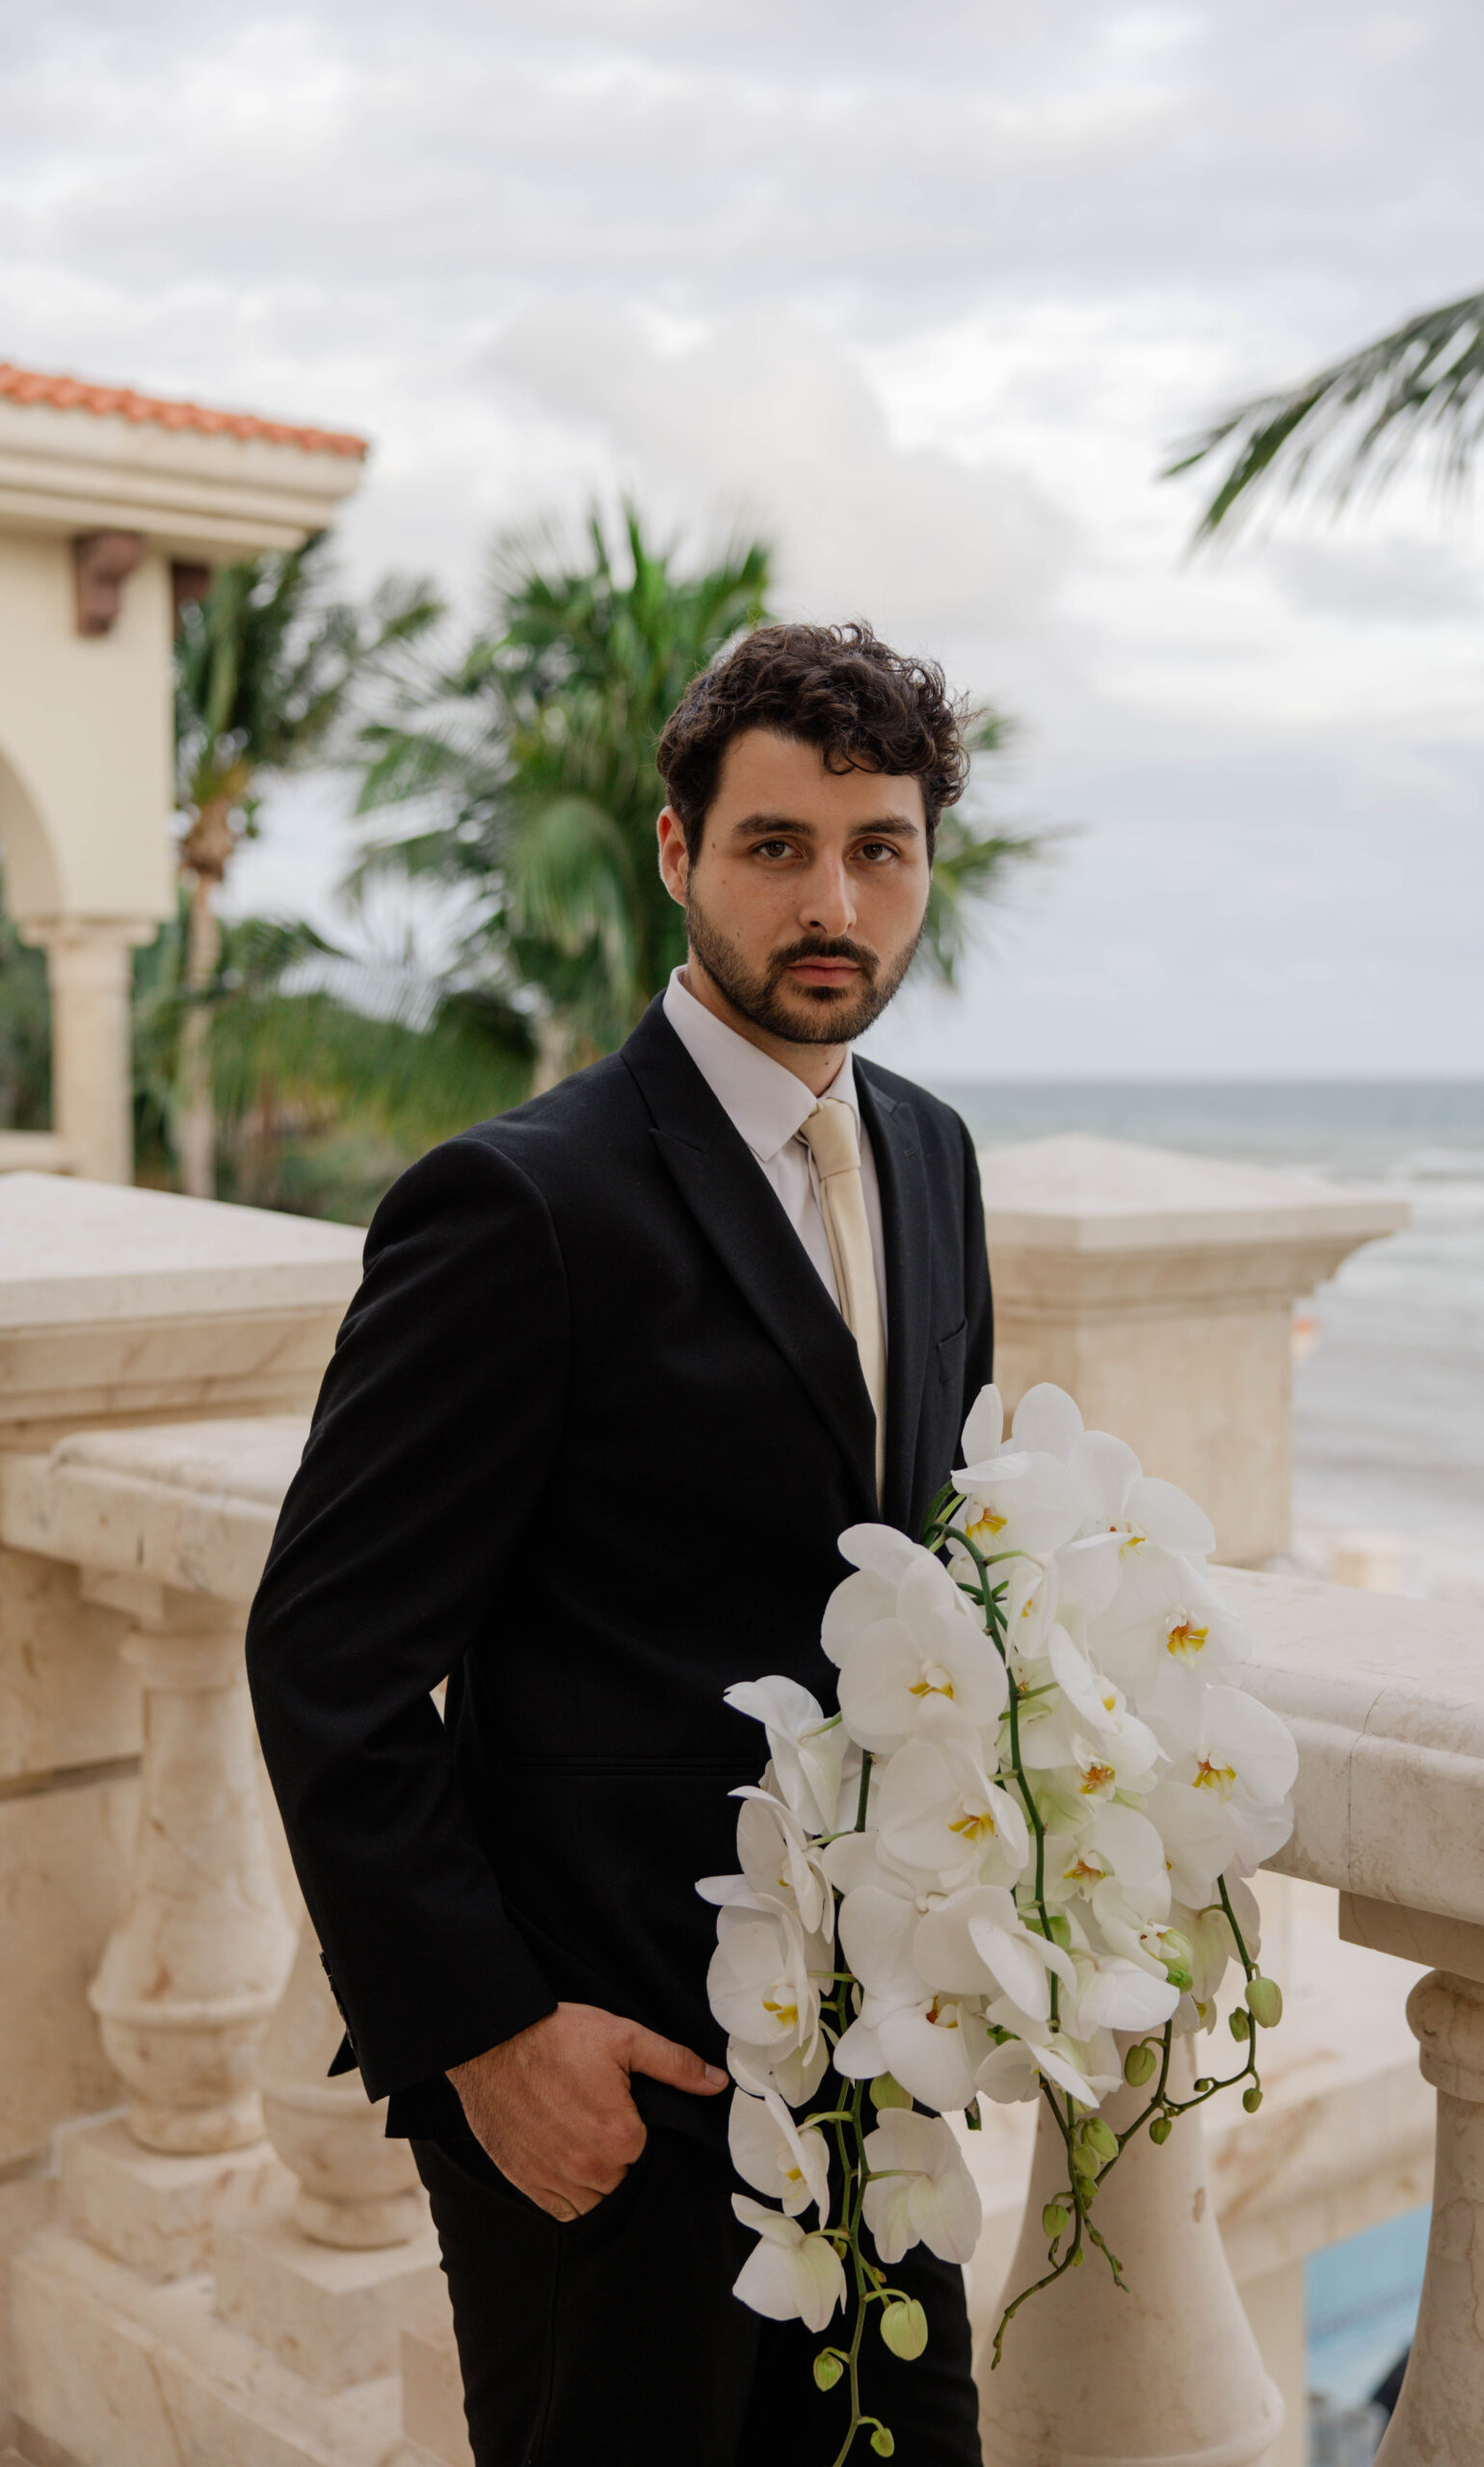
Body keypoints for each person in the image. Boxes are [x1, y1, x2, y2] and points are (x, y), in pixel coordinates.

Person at [246, 621, 994, 2467]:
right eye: (774, 846)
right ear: (679, 854)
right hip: (610, 2101)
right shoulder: (519, 1202)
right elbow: (324, 1661)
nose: (832, 900)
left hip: (867, 2078)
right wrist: (492, 2040)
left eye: (877, 849)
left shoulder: (933, 1156)